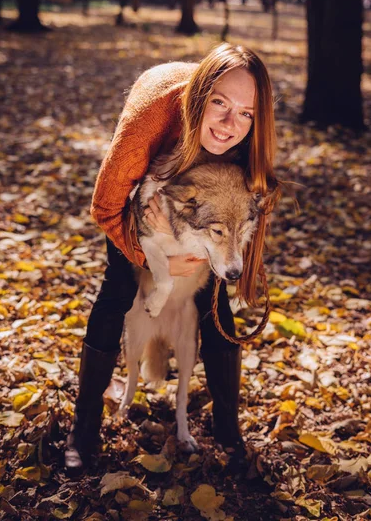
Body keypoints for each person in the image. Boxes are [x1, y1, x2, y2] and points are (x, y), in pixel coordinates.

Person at [64, 43, 280, 476]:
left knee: (215, 302)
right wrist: (147, 252)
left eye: (245, 113)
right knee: (119, 288)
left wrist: (234, 264)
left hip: (206, 204)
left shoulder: (248, 139)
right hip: (137, 200)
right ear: (199, 96)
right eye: (219, 103)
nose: (229, 123)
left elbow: (255, 209)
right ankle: (84, 429)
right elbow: (105, 207)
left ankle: (227, 430)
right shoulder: (154, 110)